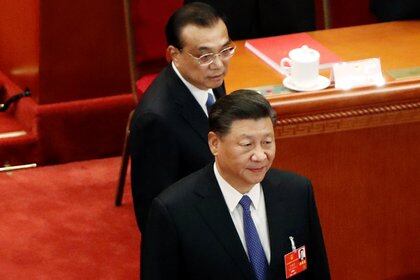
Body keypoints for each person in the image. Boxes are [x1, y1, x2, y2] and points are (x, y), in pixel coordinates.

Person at [141, 90, 330, 280]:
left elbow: (316, 270)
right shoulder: (174, 211)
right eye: (247, 144)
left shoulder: (297, 192)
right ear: (215, 143)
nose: (260, 155)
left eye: (267, 142)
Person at [129, 2, 235, 231]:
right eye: (205, 55)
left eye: (225, 51)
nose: (218, 64)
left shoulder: (208, 77)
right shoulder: (156, 120)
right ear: (173, 55)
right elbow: (153, 212)